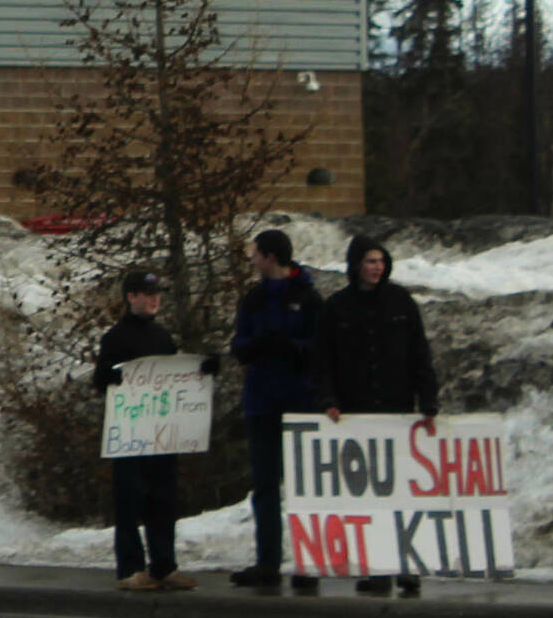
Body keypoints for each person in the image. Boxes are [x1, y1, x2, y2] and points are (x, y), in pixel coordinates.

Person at [314, 234, 440, 597]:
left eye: (380, 260)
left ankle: (407, 566)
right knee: (368, 495)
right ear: (355, 265)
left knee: (402, 492)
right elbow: (322, 361)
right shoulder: (337, 307)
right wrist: (328, 399)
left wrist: (428, 400)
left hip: (397, 409)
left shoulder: (401, 302)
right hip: (357, 412)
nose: (376, 267)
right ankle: (378, 568)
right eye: (370, 261)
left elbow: (420, 354)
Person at [92, 270, 217, 592]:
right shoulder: (116, 338)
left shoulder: (162, 336)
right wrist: (110, 377)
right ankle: (130, 568)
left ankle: (164, 565)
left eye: (156, 294)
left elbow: (179, 377)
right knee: (130, 500)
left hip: (161, 431)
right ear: (130, 297)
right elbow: (99, 382)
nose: (153, 300)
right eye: (146, 294)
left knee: (164, 499)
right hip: (130, 433)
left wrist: (203, 370)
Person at [227, 229, 323, 590]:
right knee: (264, 485)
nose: (251, 259)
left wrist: (289, 347)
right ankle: (267, 560)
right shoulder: (253, 298)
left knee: (305, 486)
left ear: (270, 256)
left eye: (255, 253)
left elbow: (321, 347)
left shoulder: (308, 297)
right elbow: (239, 343)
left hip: (300, 402)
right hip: (261, 401)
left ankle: (308, 562)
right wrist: (254, 346)